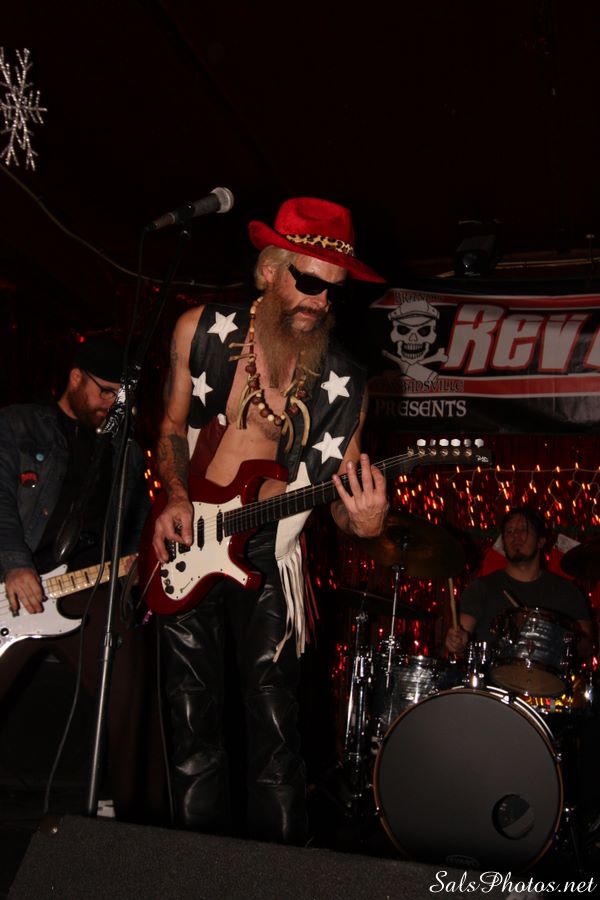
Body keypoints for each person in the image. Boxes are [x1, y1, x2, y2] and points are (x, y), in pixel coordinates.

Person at [150, 196, 389, 844]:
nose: (319, 300)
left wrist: (363, 523)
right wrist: (175, 496)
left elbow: (341, 499)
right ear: (268, 270)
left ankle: (282, 871)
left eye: (332, 289)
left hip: (268, 549)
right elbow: (171, 425)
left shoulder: (346, 381)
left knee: (276, 727)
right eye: (307, 281)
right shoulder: (201, 331)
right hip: (188, 538)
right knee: (190, 720)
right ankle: (194, 868)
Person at [0, 335, 158, 821]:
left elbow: (137, 528)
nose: (112, 403)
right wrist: (14, 561)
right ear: (75, 378)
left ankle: (129, 822)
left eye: (120, 395)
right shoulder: (19, 424)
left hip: (87, 590)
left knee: (131, 694)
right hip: (17, 588)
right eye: (105, 390)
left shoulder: (128, 454)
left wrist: (140, 569)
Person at [445, 506, 595, 660]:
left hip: (548, 674)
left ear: (541, 541)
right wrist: (457, 642)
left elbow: (587, 646)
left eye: (523, 530)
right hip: (492, 674)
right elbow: (462, 635)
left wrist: (555, 637)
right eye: (509, 531)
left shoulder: (566, 591)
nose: (515, 536)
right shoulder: (480, 588)